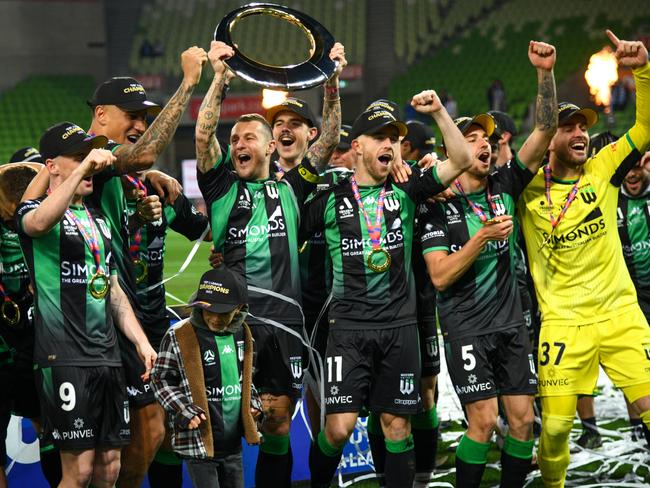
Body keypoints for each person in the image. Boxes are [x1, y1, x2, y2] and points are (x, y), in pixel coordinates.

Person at [22, 47, 206, 487]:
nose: (139, 124)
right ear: (101, 115)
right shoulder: (93, 161)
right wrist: (188, 83)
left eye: (145, 116)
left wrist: (148, 201)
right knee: (133, 439)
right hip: (80, 334)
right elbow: (142, 155)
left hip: (123, 323)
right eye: (131, 114)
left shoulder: (110, 177)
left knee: (127, 446)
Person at [303, 90, 474, 487]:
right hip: (347, 330)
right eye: (380, 137)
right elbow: (289, 222)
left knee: (397, 425)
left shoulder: (408, 188)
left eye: (394, 138)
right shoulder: (329, 198)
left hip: (400, 329)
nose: (389, 144)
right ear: (358, 146)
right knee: (338, 430)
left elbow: (462, 160)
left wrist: (438, 114)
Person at [195, 40, 344, 488]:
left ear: (267, 148)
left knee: (278, 424)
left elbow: (331, 138)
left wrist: (332, 77)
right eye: (234, 138)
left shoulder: (291, 190)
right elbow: (204, 135)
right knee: (222, 424)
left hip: (283, 326)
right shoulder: (222, 190)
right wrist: (221, 76)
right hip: (232, 323)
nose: (237, 143)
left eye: (247, 138)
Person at [516, 30, 650, 488]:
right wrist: (545, 76)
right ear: (550, 138)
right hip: (562, 325)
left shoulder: (603, 166)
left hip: (620, 314)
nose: (580, 133)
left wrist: (644, 71)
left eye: (584, 127)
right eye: (569, 127)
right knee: (554, 430)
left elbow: (646, 130)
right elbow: (533, 137)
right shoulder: (525, 189)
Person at [421, 40, 557, 488]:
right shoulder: (437, 207)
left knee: (521, 424)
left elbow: (546, 129)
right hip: (466, 330)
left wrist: (544, 73)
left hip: (510, 327)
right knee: (482, 423)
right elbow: (439, 276)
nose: (484, 144)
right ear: (454, 152)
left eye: (487, 139)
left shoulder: (505, 183)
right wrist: (480, 238)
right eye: (471, 139)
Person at [15, 123, 156, 488]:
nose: (89, 164)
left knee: (109, 468)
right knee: (77, 472)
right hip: (64, 359)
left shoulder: (98, 220)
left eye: (88, 156)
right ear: (52, 165)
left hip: (108, 358)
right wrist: (81, 171)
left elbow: (113, 292)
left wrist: (140, 342)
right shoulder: (33, 211)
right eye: (77, 156)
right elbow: (39, 221)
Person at [121, 174, 210, 486]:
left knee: (169, 425)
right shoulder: (98, 191)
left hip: (156, 323)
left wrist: (178, 200)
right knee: (135, 431)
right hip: (114, 325)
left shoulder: (155, 191)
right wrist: (134, 218)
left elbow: (206, 232)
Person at [151, 266, 261, 488]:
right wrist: (184, 409)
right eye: (209, 310)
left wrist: (253, 403)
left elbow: (245, 379)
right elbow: (160, 379)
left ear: (239, 307)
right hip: (198, 444)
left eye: (223, 312)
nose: (215, 318)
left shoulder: (243, 334)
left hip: (233, 445)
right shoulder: (179, 334)